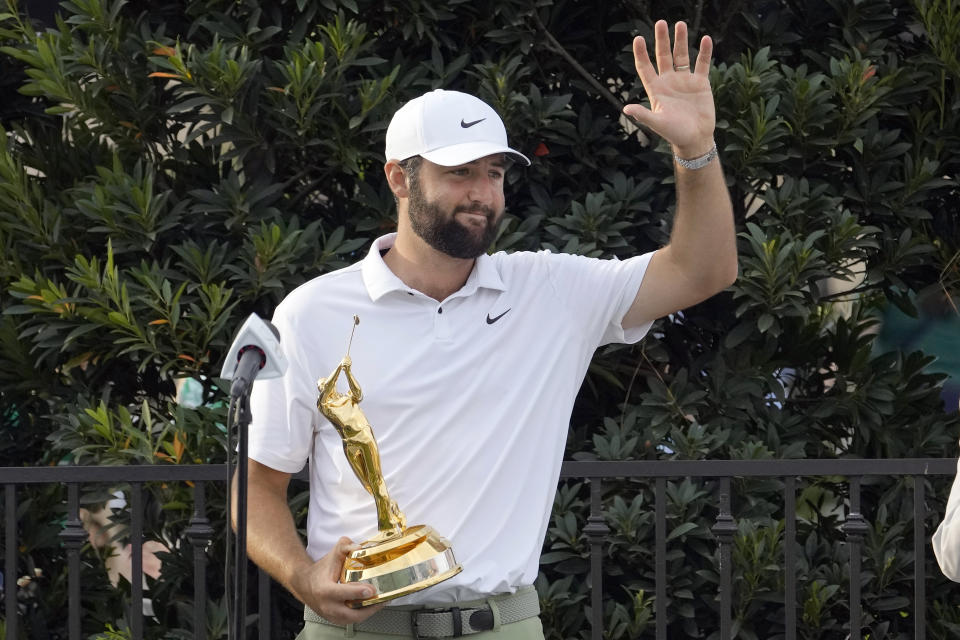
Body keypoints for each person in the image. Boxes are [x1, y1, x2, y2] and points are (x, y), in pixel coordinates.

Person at [236, 19, 737, 640]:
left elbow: (704, 269)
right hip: (355, 631)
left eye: (494, 173)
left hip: (501, 626)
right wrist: (300, 575)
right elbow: (255, 484)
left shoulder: (550, 291)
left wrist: (696, 152)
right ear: (399, 178)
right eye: (458, 173)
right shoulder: (310, 313)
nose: (481, 194)